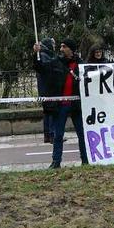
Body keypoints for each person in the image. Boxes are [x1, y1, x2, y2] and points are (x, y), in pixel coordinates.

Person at [32, 38, 88, 169]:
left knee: (81, 134)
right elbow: (41, 68)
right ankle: (56, 162)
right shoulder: (56, 62)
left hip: (76, 105)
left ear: (71, 49)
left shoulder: (81, 64)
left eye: (64, 47)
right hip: (60, 104)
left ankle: (85, 159)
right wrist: (36, 54)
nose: (61, 49)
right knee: (58, 135)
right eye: (61, 46)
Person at [34, 38, 59, 144]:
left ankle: (48, 135)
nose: (54, 46)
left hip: (46, 89)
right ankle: (52, 135)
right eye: (53, 44)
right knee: (51, 112)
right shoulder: (45, 56)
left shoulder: (45, 55)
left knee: (47, 113)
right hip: (48, 89)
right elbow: (48, 70)